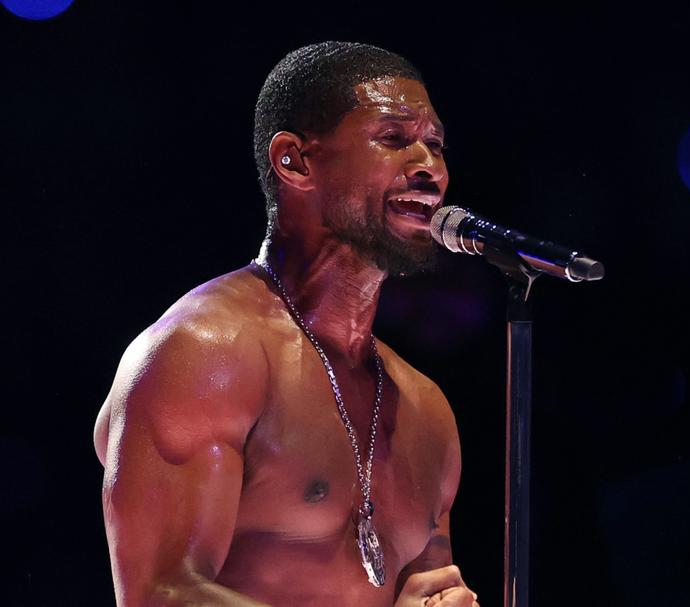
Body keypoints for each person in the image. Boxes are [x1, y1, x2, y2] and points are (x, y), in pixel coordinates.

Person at [93, 41, 480, 607]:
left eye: (436, 145)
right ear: (294, 161)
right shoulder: (204, 351)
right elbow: (159, 594)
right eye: (393, 139)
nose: (429, 168)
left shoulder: (428, 412)